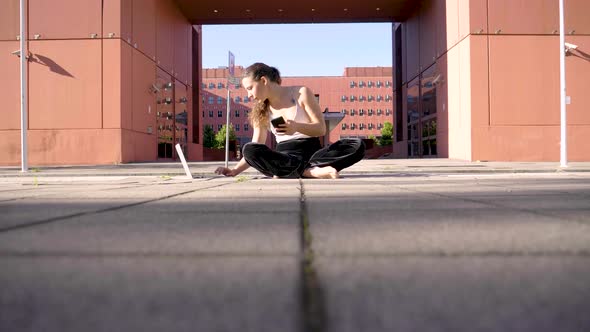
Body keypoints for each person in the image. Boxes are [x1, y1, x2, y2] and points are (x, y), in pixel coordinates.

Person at [215, 62, 365, 179]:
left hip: (313, 155)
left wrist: (297, 127)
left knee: (356, 144)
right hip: (283, 157)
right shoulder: (260, 110)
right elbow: (256, 146)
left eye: (250, 88)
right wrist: (235, 171)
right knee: (249, 149)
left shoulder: (301, 93)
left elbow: (321, 129)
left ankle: (300, 170)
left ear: (263, 80)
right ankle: (308, 172)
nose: (249, 95)